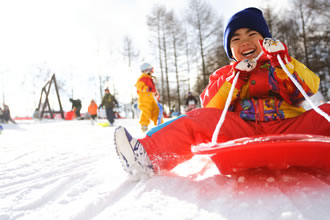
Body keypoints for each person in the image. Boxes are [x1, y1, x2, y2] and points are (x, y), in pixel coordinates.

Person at [114, 7, 330, 178]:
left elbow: (308, 89)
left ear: (265, 40)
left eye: (252, 34)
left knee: (326, 111)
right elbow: (211, 107)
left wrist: (284, 63)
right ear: (230, 50)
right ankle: (147, 155)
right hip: (241, 129)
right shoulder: (225, 74)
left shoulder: (283, 62)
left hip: (289, 126)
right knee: (196, 118)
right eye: (235, 39)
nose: (244, 41)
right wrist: (234, 80)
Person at [135, 62, 162, 132]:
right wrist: (145, 88)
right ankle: (144, 126)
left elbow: (153, 89)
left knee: (156, 111)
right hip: (144, 99)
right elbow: (138, 86)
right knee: (146, 112)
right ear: (147, 70)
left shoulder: (149, 79)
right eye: (151, 70)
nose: (152, 72)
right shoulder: (143, 78)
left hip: (151, 99)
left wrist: (155, 94)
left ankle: (160, 125)